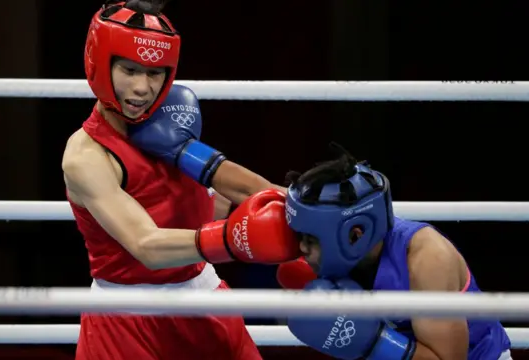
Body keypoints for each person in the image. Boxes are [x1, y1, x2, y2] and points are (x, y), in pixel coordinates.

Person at [62, 1, 300, 359]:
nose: (143, 88)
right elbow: (146, 245)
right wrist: (233, 240)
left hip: (202, 297)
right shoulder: (86, 155)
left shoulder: (172, 116)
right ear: (100, 62)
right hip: (126, 321)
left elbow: (220, 179)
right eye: (129, 69)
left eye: (155, 73)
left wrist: (298, 202)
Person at [276, 143, 512, 360]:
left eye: (311, 239)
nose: (302, 248)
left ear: (355, 234)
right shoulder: (341, 240)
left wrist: (375, 341)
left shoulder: (428, 259)